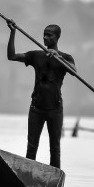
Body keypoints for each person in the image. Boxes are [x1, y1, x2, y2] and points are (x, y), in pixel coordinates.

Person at [6, 19, 76, 169]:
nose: (44, 38)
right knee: (31, 147)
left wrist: (59, 56)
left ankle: (54, 179)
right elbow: (11, 56)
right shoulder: (36, 55)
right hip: (36, 108)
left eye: (49, 35)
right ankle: (29, 175)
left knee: (55, 148)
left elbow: (74, 72)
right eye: (44, 35)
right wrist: (13, 32)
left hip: (55, 110)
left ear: (57, 38)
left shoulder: (66, 58)